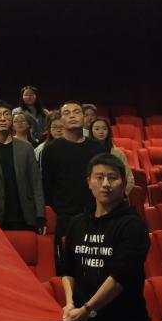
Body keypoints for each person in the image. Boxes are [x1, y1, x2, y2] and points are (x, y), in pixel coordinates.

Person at [61, 153, 150, 321]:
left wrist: (87, 310)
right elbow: (67, 270)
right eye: (99, 177)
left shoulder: (132, 225)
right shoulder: (77, 223)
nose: (106, 184)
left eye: (112, 178)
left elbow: (119, 279)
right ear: (89, 182)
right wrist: (70, 304)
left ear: (123, 183)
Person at [43, 101, 107, 266]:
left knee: (97, 264)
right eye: (67, 113)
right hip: (65, 217)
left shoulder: (97, 148)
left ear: (84, 117)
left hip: (96, 215)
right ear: (61, 120)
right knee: (67, 266)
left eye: (76, 112)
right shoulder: (51, 149)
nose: (72, 116)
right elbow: (47, 184)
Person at [0, 101, 45, 232]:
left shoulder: (26, 148)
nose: (3, 118)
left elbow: (36, 183)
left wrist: (40, 216)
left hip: (25, 217)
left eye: (6, 114)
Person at [89, 118, 135, 195]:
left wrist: (121, 195)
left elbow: (129, 178)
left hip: (115, 196)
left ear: (109, 131)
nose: (101, 132)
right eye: (97, 129)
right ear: (91, 131)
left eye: (104, 129)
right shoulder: (86, 152)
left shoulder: (118, 153)